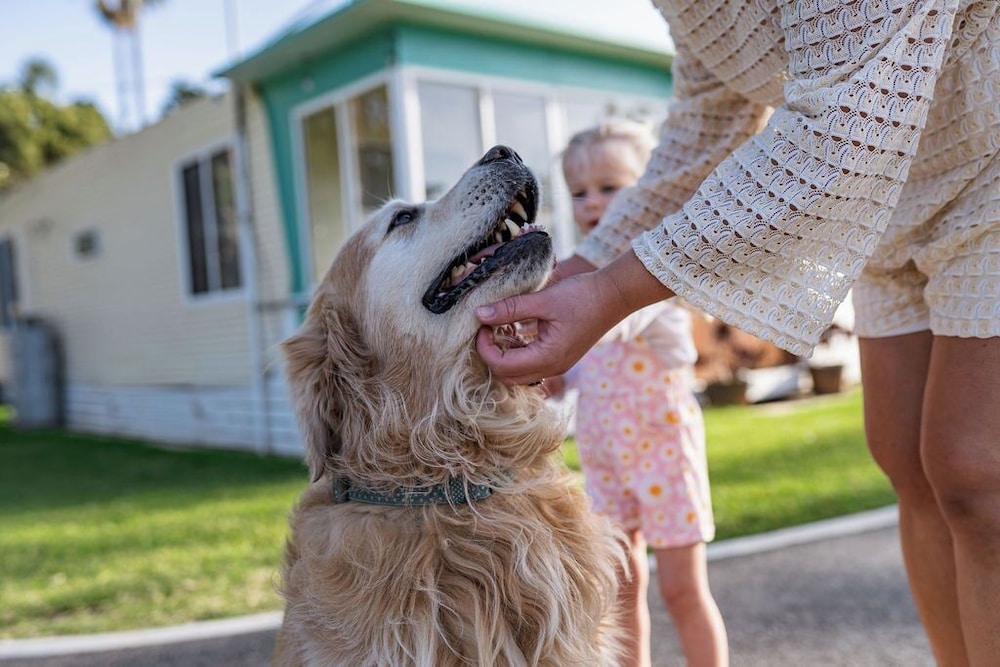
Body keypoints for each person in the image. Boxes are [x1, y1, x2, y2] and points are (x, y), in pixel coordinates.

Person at [476, 3, 1000, 665]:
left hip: (985, 159)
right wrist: (582, 268)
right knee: (906, 459)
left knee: (974, 472)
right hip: (892, 207)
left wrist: (611, 291)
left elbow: (842, 130)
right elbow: (708, 126)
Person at [546, 120, 728, 667]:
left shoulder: (660, 275)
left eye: (610, 187)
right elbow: (564, 380)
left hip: (665, 461)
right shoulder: (573, 289)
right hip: (605, 469)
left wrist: (592, 312)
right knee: (621, 597)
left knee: (681, 590)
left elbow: (651, 328)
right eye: (580, 192)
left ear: (648, 192)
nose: (592, 202)